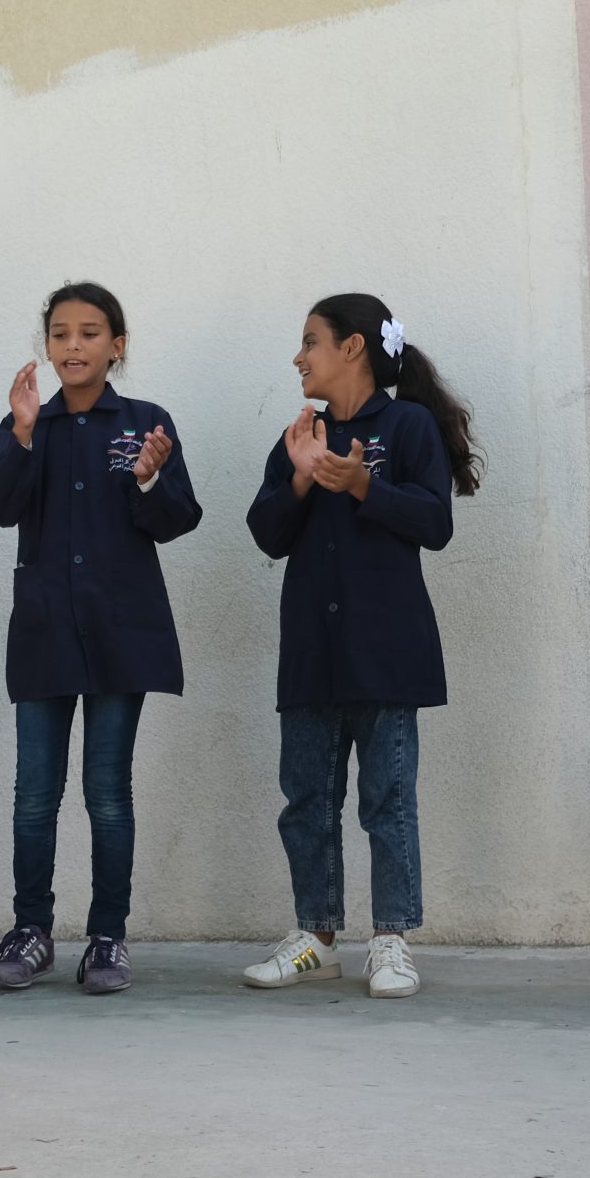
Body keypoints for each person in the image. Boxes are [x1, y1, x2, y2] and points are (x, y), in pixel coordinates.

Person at [240, 293, 481, 999]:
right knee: (306, 800)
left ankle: (390, 941)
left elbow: (435, 522)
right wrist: (300, 477)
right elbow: (267, 533)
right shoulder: (302, 433)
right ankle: (315, 939)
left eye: (310, 341)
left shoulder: (406, 425)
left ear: (352, 348)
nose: (298, 357)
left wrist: (363, 485)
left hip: (388, 651)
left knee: (388, 800)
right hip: (311, 652)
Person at [0, 282, 200, 995]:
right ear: (47, 345)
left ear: (117, 345)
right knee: (34, 794)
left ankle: (108, 936)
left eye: (90, 332)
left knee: (107, 790)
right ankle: (31, 929)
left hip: (119, 632)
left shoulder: (146, 423)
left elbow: (179, 518)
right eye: (61, 333)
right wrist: (20, 437)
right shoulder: (27, 423)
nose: (73, 345)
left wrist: (148, 480)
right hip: (44, 630)